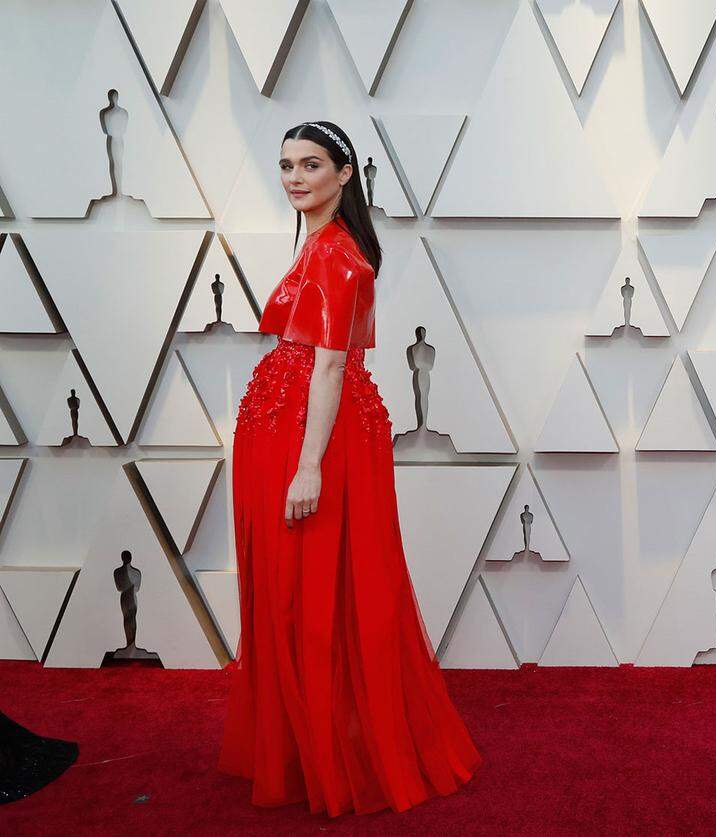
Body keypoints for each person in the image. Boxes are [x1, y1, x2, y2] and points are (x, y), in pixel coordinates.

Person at [217, 121, 482, 816]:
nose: (295, 178)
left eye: (311, 165)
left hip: (313, 434)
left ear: (344, 175)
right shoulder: (326, 245)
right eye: (285, 167)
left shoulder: (337, 255)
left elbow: (331, 364)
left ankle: (329, 753)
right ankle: (314, 745)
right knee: (301, 588)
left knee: (315, 590)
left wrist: (308, 465)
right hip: (292, 423)